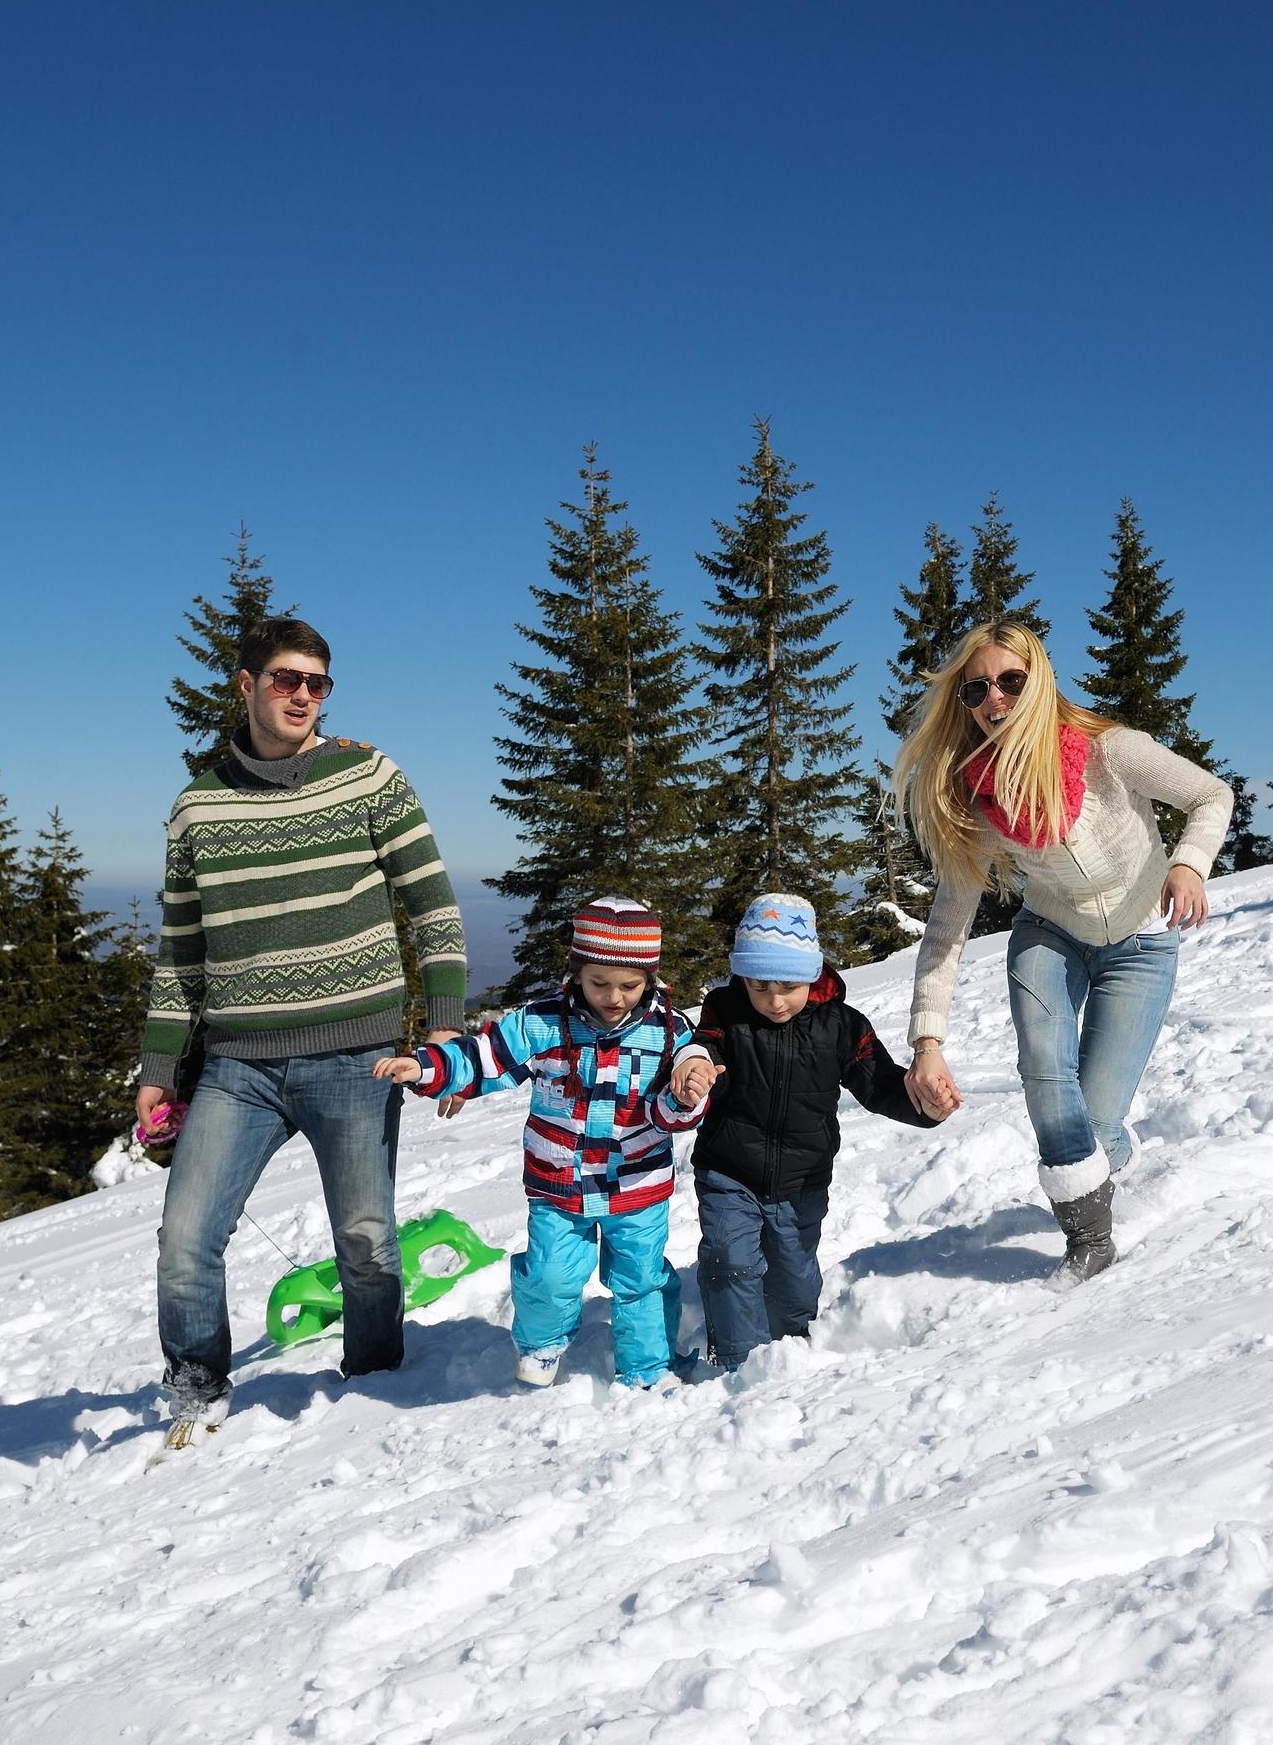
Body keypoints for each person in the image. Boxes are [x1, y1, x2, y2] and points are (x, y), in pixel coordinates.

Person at [136, 616, 469, 1448]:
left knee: (366, 1244)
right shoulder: (196, 809)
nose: (304, 697)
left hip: (360, 1056)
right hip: (237, 1069)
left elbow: (432, 905)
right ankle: (199, 1393)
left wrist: (448, 1033)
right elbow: (181, 952)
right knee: (185, 1244)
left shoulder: (369, 776)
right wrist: (157, 1067)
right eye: (286, 679)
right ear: (244, 685)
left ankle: (376, 1382)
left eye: (318, 684)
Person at [893, 622, 1231, 1282]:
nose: (996, 698)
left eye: (1011, 681)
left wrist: (1188, 865)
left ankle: (1101, 1162)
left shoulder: (1111, 752)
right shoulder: (978, 797)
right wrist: (927, 1039)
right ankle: (1089, 1243)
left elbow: (1210, 795)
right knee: (1048, 1075)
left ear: (1038, 679)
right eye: (977, 688)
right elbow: (947, 926)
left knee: (1095, 1126)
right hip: (1050, 937)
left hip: (1142, 948)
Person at [376, 898, 706, 1388]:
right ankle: (542, 1344)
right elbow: (483, 1056)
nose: (614, 997)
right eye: (599, 984)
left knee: (641, 1279)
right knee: (551, 1275)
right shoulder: (542, 1023)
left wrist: (684, 1096)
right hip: (560, 1183)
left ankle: (649, 1365)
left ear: (651, 980)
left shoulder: (669, 1032)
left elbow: (669, 1113)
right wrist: (429, 1066)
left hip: (636, 1184)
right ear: (577, 975)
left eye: (630, 986)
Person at [669, 893, 942, 1371]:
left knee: (793, 1279)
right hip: (728, 1171)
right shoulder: (726, 1012)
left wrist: (926, 1107)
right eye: (759, 986)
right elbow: (702, 1044)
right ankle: (736, 1363)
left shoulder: (840, 1025)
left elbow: (878, 1083)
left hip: (803, 1180)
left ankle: (790, 1354)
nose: (774, 1001)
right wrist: (693, 1064)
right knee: (731, 1264)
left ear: (812, 973)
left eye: (788, 985)